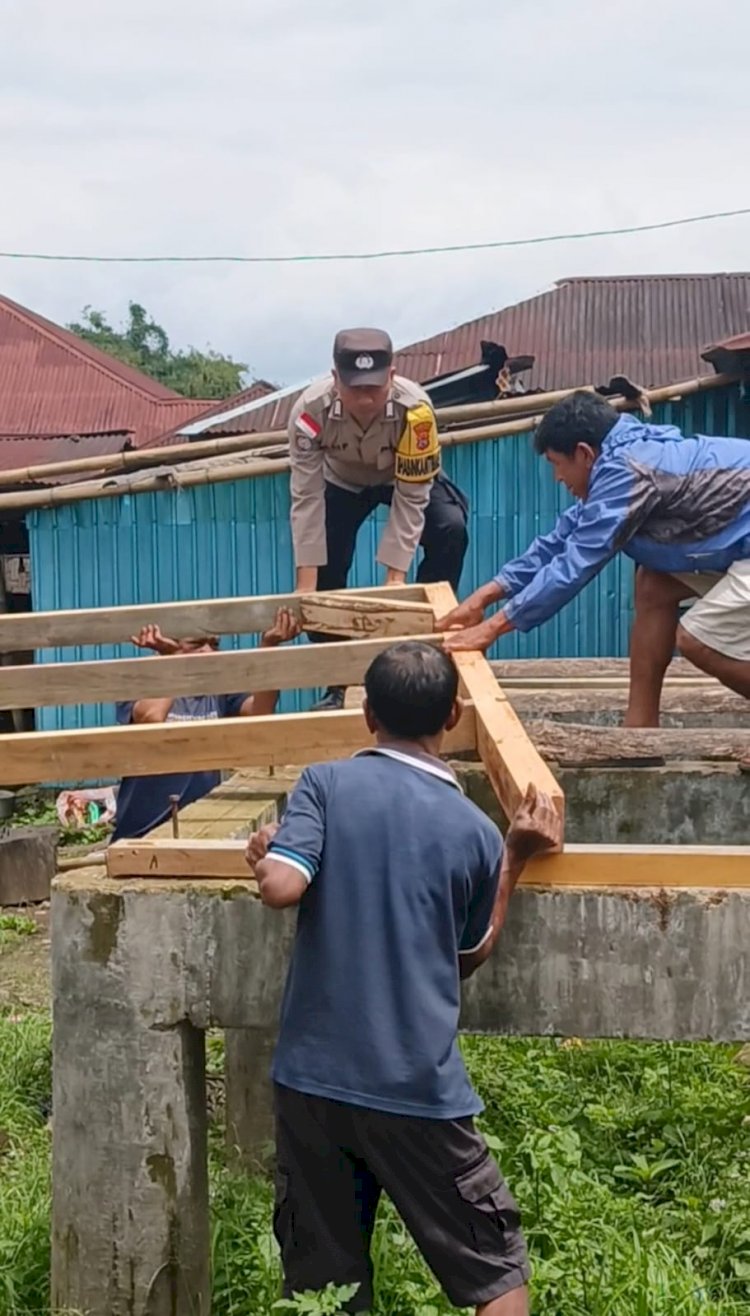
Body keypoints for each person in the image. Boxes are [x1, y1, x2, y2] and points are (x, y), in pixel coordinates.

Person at [244, 641, 561, 1315]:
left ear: (366, 714)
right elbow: (469, 953)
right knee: (495, 1271)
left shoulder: (324, 785)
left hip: (312, 1082)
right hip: (416, 1087)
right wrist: (517, 855)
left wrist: (265, 858)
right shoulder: (475, 832)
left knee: (324, 1286)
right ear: (451, 715)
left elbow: (281, 886)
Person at [440, 390, 750, 727]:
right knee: (654, 584)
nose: (558, 478)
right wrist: (484, 597)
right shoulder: (621, 457)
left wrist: (492, 629)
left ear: (584, 454)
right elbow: (558, 541)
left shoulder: (628, 472)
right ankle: (640, 731)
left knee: (697, 638)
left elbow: (573, 564)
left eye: (557, 465)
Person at [289, 327, 469, 710]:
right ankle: (338, 681)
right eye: (355, 389)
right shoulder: (309, 411)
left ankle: (421, 658)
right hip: (341, 481)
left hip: (402, 478)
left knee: (450, 528)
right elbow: (305, 496)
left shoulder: (416, 408)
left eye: (375, 387)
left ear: (392, 375)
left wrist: (395, 582)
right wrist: (306, 584)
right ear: (335, 379)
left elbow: (413, 494)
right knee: (323, 573)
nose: (366, 399)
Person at [111, 608, 299, 841]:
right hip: (141, 833)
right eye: (197, 644)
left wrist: (269, 647)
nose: (209, 651)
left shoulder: (217, 686)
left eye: (214, 644)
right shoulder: (143, 680)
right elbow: (151, 717)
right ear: (170, 644)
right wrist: (172, 662)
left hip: (198, 826)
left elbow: (260, 711)